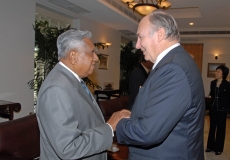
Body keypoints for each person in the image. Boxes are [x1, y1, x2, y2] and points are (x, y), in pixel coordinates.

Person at [115, 10, 205, 160]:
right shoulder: (173, 63)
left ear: (160, 34)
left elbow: (147, 132)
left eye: (140, 37)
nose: (137, 45)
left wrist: (118, 123)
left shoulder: (173, 68)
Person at [36, 29, 131, 160]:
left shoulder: (72, 80)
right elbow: (68, 148)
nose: (96, 58)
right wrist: (109, 127)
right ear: (73, 56)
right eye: (92, 53)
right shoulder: (56, 89)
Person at [206, 65, 230, 155]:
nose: (216, 73)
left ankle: (219, 148)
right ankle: (210, 146)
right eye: (216, 71)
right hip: (213, 109)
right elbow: (212, 95)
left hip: (222, 110)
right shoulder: (212, 83)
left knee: (221, 129)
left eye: (218, 71)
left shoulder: (227, 85)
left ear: (223, 74)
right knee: (212, 128)